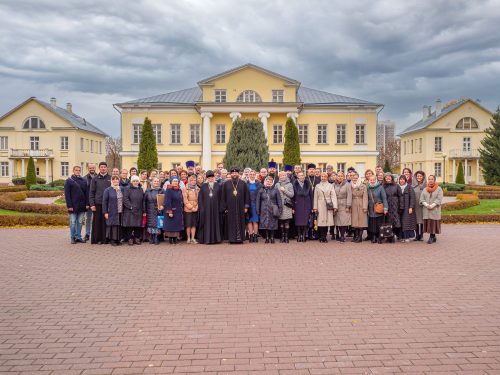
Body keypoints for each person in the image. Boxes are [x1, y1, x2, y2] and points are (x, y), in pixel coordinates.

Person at [221, 167, 250, 244]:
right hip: (230, 208)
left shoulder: (243, 183)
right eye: (233, 173)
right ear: (230, 174)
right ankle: (232, 239)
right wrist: (224, 208)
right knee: (230, 223)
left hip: (241, 207)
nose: (234, 174)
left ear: (238, 174)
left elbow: (247, 195)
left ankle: (240, 239)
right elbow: (223, 197)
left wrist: (246, 206)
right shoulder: (226, 184)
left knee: (240, 222)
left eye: (236, 173)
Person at [64, 165, 88, 244]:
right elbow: (67, 195)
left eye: (79, 170)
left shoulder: (83, 181)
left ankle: (78, 237)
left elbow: (86, 193)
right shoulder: (69, 181)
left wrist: (87, 204)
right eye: (76, 170)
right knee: (73, 222)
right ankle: (72, 237)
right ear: (73, 171)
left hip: (82, 205)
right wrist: (69, 206)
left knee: (80, 222)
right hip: (73, 206)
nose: (78, 171)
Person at [89, 162, 111, 244]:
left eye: (104, 167)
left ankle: (106, 239)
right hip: (97, 204)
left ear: (107, 168)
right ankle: (97, 239)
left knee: (106, 222)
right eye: (101, 167)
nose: (103, 168)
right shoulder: (95, 179)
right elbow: (91, 193)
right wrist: (92, 204)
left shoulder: (111, 178)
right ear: (99, 168)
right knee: (97, 222)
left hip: (108, 204)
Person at [198, 170, 222, 244]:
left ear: (214, 177)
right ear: (207, 178)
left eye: (212, 177)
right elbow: (200, 198)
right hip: (206, 208)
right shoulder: (203, 186)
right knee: (207, 223)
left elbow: (221, 197)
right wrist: (201, 208)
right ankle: (207, 239)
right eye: (209, 177)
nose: (210, 179)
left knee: (216, 223)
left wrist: (220, 208)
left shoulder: (218, 185)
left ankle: (216, 239)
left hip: (216, 208)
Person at [256, 176, 283, 243]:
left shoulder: (276, 189)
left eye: (270, 181)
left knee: (273, 223)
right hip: (264, 209)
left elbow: (279, 200)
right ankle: (267, 237)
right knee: (265, 224)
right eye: (267, 181)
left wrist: (280, 209)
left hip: (273, 209)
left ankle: (272, 237)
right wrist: (257, 209)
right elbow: (258, 200)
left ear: (272, 182)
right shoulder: (261, 189)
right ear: (265, 181)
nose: (269, 182)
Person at [313, 172, 338, 243]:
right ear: (320, 177)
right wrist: (315, 207)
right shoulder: (317, 186)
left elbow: (333, 196)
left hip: (328, 204)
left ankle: (325, 236)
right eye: (322, 176)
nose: (323, 178)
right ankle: (321, 236)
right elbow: (315, 197)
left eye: (325, 177)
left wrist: (335, 206)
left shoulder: (330, 186)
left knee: (327, 221)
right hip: (320, 204)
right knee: (320, 221)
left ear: (327, 178)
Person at [420, 175, 443, 244]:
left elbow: (439, 199)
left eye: (432, 179)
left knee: (433, 223)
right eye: (429, 179)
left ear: (434, 180)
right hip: (426, 210)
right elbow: (421, 199)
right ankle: (434, 237)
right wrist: (426, 205)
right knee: (429, 223)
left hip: (434, 210)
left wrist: (432, 205)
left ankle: (431, 237)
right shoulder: (425, 189)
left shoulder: (439, 189)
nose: (430, 180)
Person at [122, 175, 145, 245]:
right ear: (131, 182)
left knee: (138, 225)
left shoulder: (140, 189)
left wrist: (143, 210)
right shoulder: (127, 188)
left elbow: (143, 200)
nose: (135, 182)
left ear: (138, 181)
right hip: (130, 210)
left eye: (137, 181)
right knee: (130, 225)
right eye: (134, 181)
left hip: (139, 209)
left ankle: (137, 238)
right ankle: (130, 239)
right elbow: (125, 199)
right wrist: (130, 207)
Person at [367, 174, 388, 244]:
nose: (372, 181)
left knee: (379, 223)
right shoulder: (368, 188)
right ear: (369, 180)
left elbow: (384, 198)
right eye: (371, 180)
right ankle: (373, 237)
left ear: (375, 180)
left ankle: (380, 237)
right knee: (372, 223)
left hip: (379, 208)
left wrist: (385, 208)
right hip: (371, 208)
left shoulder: (380, 187)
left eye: (373, 180)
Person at [102, 175, 123, 246]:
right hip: (111, 210)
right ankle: (112, 240)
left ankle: (118, 239)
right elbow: (104, 202)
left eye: (117, 179)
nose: (115, 181)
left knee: (118, 225)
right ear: (111, 181)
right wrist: (105, 212)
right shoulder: (108, 190)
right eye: (113, 179)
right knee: (112, 225)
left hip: (120, 211)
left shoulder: (121, 189)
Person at [293, 171, 313, 242]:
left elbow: (311, 196)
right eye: (300, 176)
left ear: (304, 177)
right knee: (298, 221)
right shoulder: (294, 184)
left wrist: (312, 207)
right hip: (297, 205)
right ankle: (299, 235)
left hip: (307, 204)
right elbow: (293, 197)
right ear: (297, 177)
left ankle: (304, 235)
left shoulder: (308, 184)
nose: (301, 177)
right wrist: (293, 207)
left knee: (305, 221)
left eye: (302, 176)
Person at [275, 171, 294, 243]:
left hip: (287, 206)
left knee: (286, 222)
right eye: (281, 175)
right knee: (281, 222)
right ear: (279, 176)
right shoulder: (277, 184)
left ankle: (286, 237)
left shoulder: (290, 184)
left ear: (286, 176)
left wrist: (284, 190)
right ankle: (282, 237)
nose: (282, 177)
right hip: (280, 206)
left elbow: (292, 195)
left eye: (284, 175)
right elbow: (275, 194)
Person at [144, 177, 163, 245]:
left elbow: (164, 200)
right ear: (152, 182)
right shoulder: (148, 191)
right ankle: (151, 237)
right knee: (150, 224)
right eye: (155, 181)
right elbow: (144, 201)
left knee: (157, 224)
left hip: (158, 210)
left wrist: (162, 206)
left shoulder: (162, 190)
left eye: (157, 181)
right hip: (149, 209)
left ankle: (156, 237)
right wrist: (144, 210)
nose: (156, 182)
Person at [164, 178, 184, 244]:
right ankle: (170, 239)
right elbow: (167, 201)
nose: (175, 182)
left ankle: (175, 238)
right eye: (174, 181)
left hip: (178, 210)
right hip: (172, 210)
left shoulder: (179, 190)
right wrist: (169, 211)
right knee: (171, 225)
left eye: (176, 181)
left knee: (177, 225)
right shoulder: (169, 189)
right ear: (171, 182)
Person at [383, 173, 402, 242]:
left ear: (392, 178)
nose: (388, 178)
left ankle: (396, 235)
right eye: (386, 177)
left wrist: (401, 206)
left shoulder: (396, 186)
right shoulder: (383, 186)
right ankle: (389, 235)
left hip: (395, 205)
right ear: (384, 178)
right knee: (388, 221)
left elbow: (400, 196)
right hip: (387, 205)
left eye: (389, 177)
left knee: (396, 221)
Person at [333, 171, 352, 243]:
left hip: (344, 205)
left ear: (343, 177)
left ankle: (342, 236)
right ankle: (338, 235)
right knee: (338, 221)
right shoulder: (333, 185)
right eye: (338, 176)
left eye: (341, 176)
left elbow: (349, 195)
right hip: (336, 205)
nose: (340, 177)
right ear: (336, 177)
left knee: (343, 222)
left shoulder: (347, 184)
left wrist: (348, 206)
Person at [350, 172, 368, 243]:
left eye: (356, 178)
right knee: (355, 222)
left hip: (361, 204)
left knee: (361, 222)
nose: (355, 179)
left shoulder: (363, 186)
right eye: (353, 178)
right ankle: (356, 236)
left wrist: (365, 206)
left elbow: (365, 197)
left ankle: (360, 237)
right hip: (353, 204)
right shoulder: (350, 185)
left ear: (358, 178)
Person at [182, 175, 200, 244]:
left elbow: (199, 199)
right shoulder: (185, 189)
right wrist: (191, 208)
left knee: (194, 225)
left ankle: (193, 238)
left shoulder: (198, 189)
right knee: (188, 225)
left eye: (194, 180)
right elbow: (185, 200)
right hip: (188, 210)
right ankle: (188, 238)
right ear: (189, 181)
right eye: (191, 180)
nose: (193, 182)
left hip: (195, 209)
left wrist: (196, 207)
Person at [399, 175, 416, 242]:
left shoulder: (409, 187)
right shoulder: (398, 187)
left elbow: (412, 198)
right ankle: (402, 237)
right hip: (400, 208)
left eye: (403, 179)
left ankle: (408, 237)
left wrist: (411, 207)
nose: (402, 180)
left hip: (407, 208)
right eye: (400, 179)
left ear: (405, 180)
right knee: (401, 223)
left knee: (407, 222)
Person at [246, 170, 262, 242]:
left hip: (256, 204)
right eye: (251, 174)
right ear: (249, 175)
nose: (252, 176)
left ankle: (255, 235)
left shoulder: (259, 184)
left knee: (255, 221)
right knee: (249, 221)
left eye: (253, 174)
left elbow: (260, 195)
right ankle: (251, 235)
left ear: (255, 175)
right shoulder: (245, 183)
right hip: (248, 204)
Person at [412, 171, 427, 241]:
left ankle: (421, 235)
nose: (419, 177)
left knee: (422, 221)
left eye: (420, 176)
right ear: (415, 177)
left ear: (423, 177)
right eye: (418, 176)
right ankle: (417, 235)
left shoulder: (426, 186)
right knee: (415, 221)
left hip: (423, 206)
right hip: (415, 206)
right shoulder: (412, 186)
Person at [84, 163, 97, 241]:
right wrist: (86, 203)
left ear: (95, 168)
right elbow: (84, 192)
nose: (92, 169)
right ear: (88, 168)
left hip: (97, 203)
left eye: (93, 168)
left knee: (96, 220)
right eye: (90, 168)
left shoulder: (98, 177)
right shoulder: (84, 178)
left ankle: (95, 234)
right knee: (88, 219)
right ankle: (87, 234)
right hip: (88, 204)